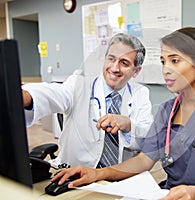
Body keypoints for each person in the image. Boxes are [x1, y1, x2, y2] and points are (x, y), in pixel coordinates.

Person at [52, 27, 195, 199]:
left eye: (175, 61)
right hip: (170, 194)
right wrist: (97, 173)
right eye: (163, 61)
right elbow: (144, 161)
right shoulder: (167, 111)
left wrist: (193, 193)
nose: (166, 69)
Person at [22, 33, 153, 168]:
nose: (114, 68)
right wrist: (24, 96)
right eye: (111, 59)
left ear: (136, 71)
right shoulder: (78, 85)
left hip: (117, 176)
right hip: (74, 173)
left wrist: (128, 124)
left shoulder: (140, 93)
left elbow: (147, 136)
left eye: (124, 63)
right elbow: (52, 94)